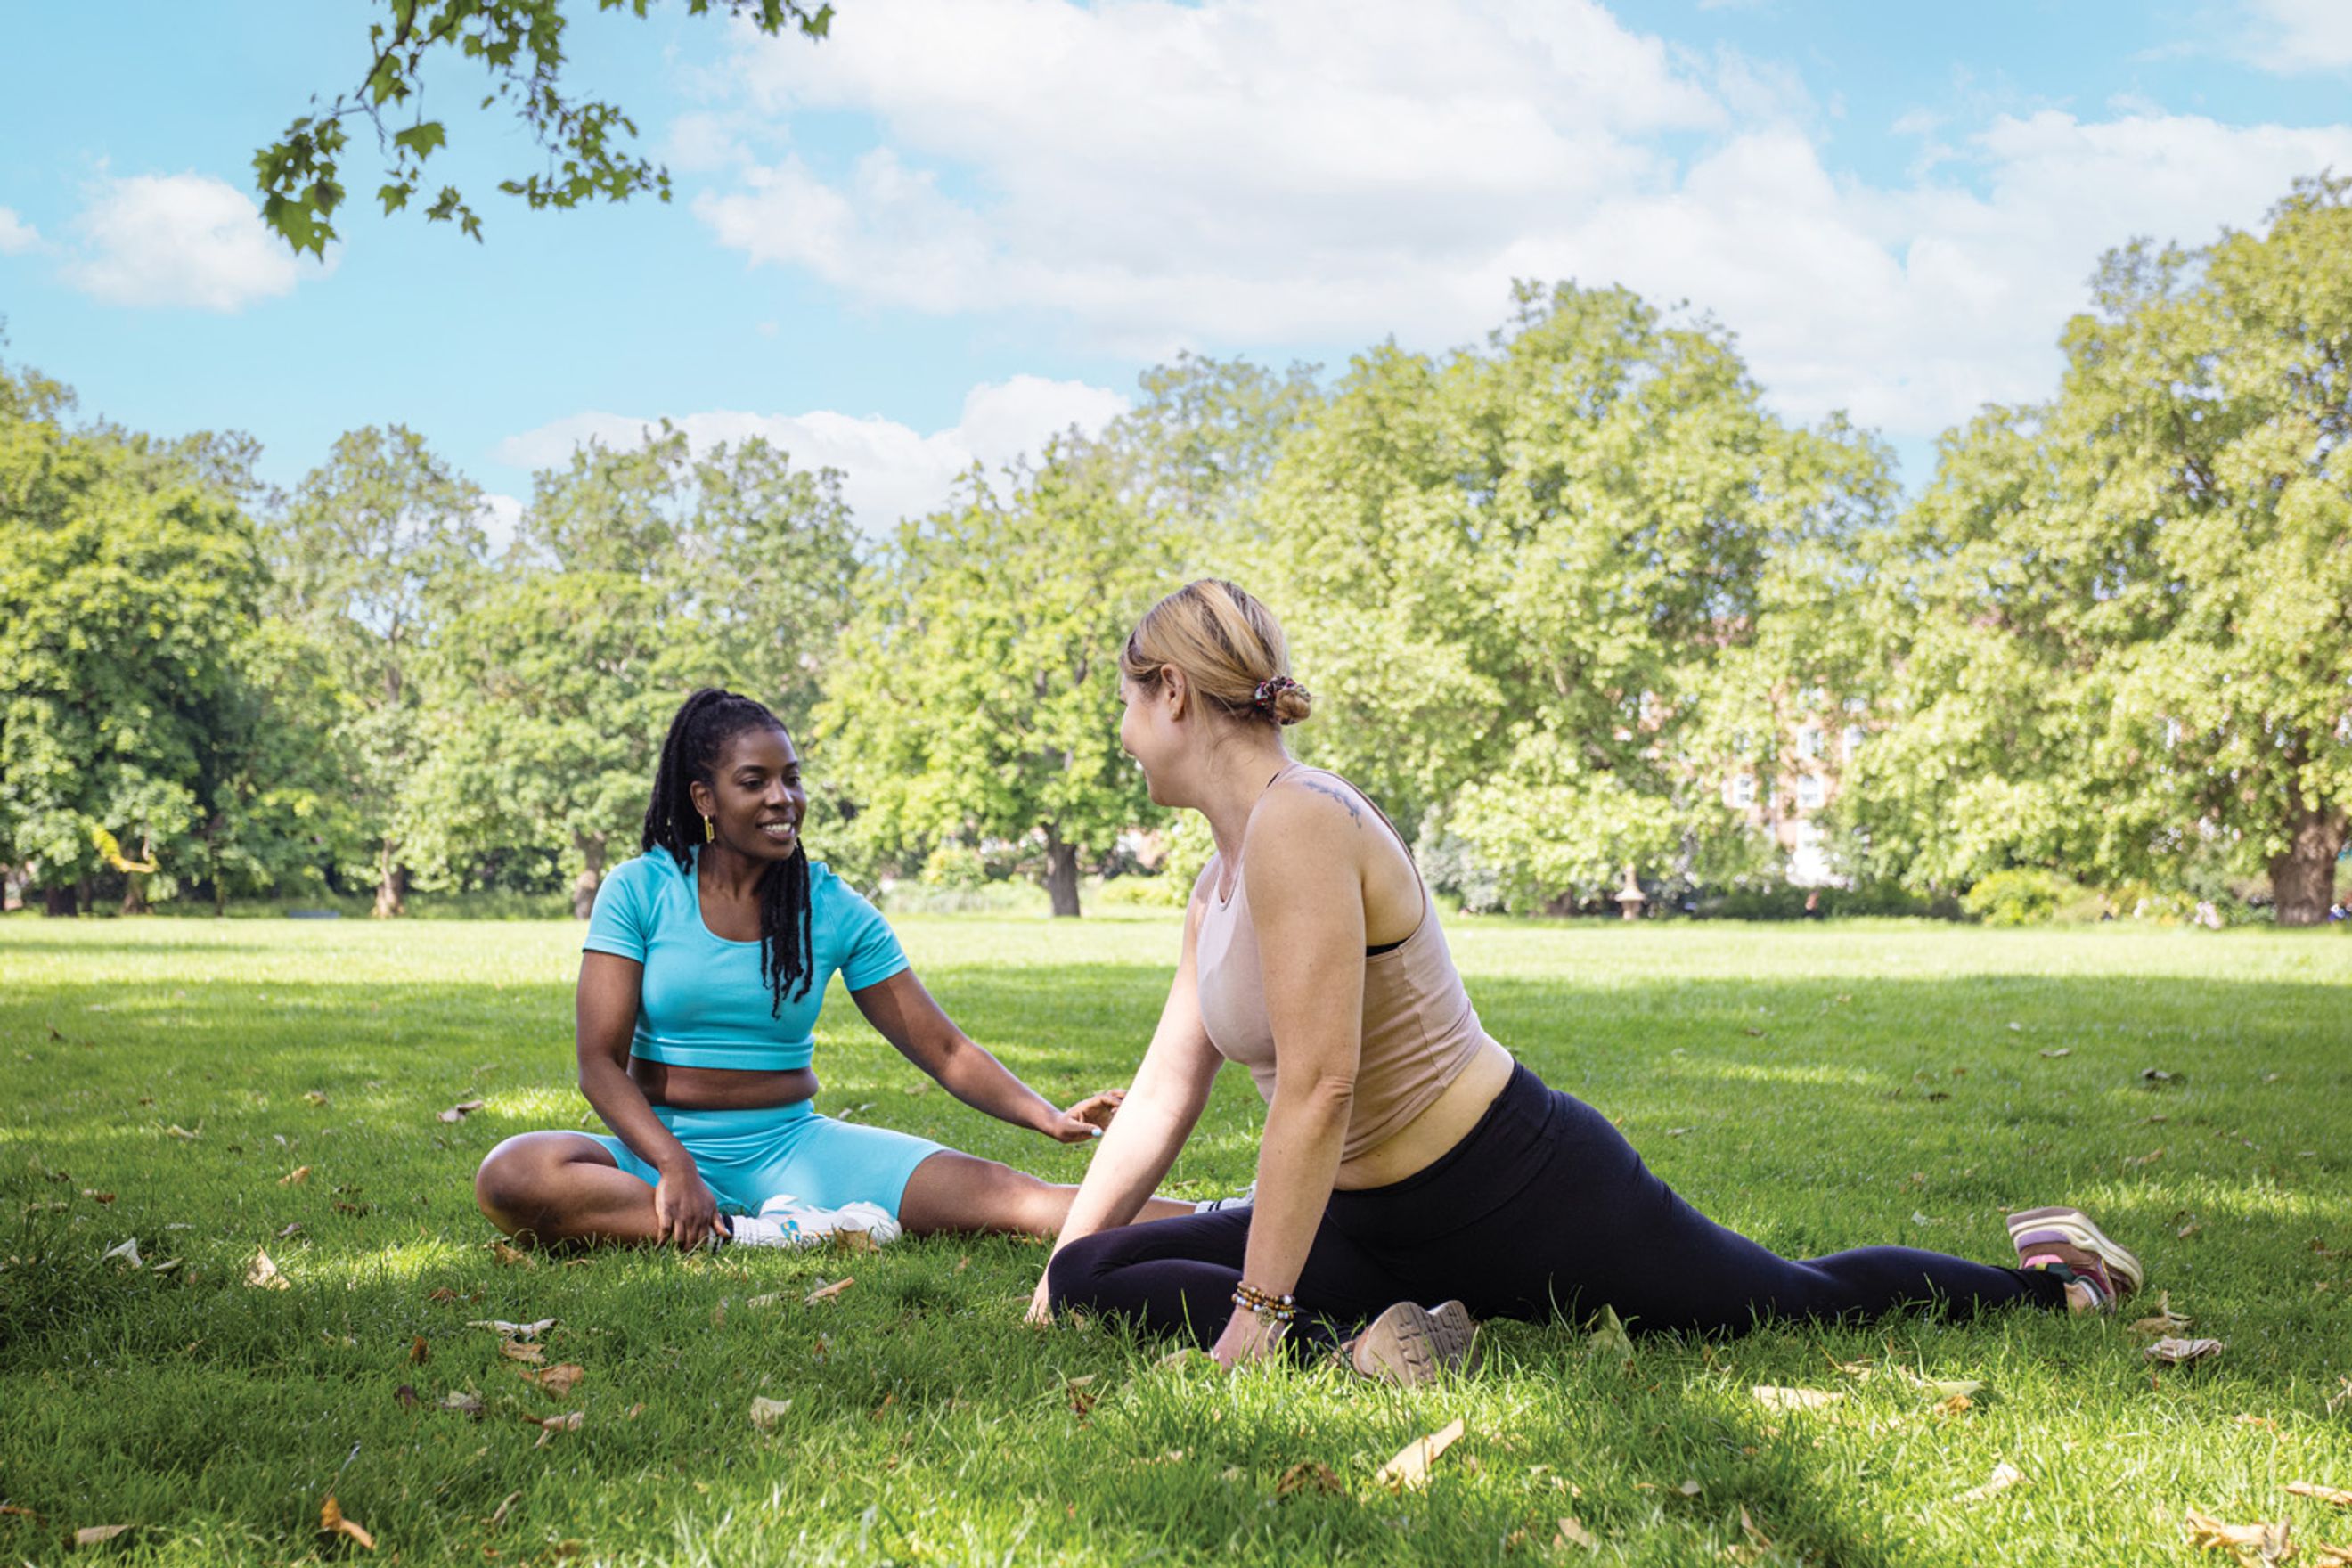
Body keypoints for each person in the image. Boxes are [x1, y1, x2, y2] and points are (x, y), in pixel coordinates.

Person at [1038, 581, 2144, 1382]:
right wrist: (1053, 1276)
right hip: (1366, 1223)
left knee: (1783, 1300)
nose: (1125, 737)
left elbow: (1323, 1084)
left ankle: (2060, 1281)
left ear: (1172, 692)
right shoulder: (1214, 883)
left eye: (1127, 705)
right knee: (1095, 1272)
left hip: (1512, 1184)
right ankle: (1376, 1347)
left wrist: (1256, 1309)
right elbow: (1164, 1093)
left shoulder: (1302, 821)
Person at [476, 688, 1203, 1251]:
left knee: (1017, 1199)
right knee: (512, 1175)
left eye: (791, 778)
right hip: (656, 1145)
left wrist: (1046, 1115)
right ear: (704, 799)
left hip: (796, 1150)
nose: (782, 799)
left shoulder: (830, 905)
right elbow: (599, 1064)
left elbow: (944, 1049)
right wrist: (673, 1165)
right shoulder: (639, 889)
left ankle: (1227, 1216)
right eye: (754, 781)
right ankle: (768, 1234)